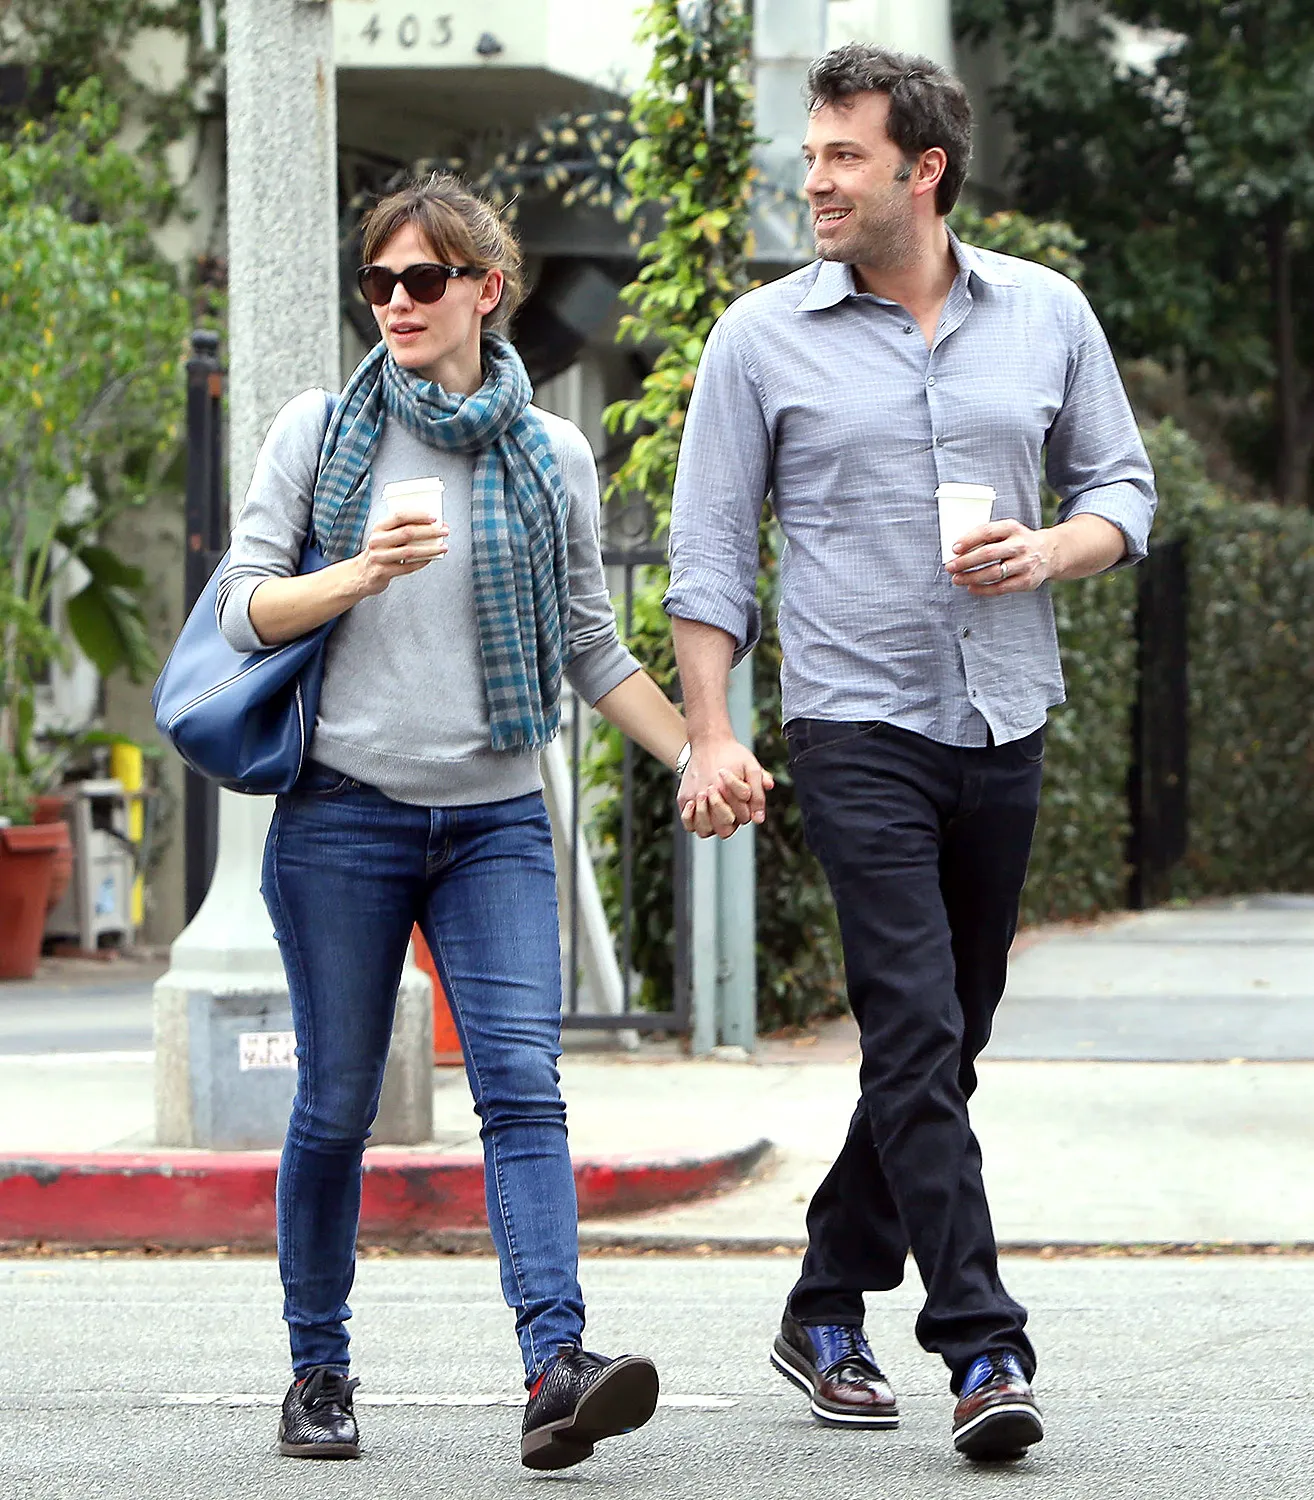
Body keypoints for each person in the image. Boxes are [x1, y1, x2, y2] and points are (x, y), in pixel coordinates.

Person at [665, 43, 1156, 1462]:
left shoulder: (1045, 312)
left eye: (844, 156)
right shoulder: (758, 339)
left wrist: (1049, 550)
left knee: (950, 1038)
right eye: (810, 155)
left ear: (922, 171)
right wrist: (711, 732)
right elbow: (709, 554)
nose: (814, 180)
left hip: (1001, 716)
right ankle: (982, 1344)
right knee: (915, 1030)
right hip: (854, 723)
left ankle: (825, 1300)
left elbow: (1123, 490)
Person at [216, 173, 688, 1471]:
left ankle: (555, 1368)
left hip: (494, 821)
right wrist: (356, 573)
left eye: (423, 280)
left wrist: (700, 754)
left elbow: (592, 648)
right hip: (341, 819)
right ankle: (318, 1370)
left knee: (523, 1088)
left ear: (488, 289)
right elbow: (243, 608)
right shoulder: (322, 432)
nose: (397, 303)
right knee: (336, 1104)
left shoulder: (551, 456)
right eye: (378, 282)